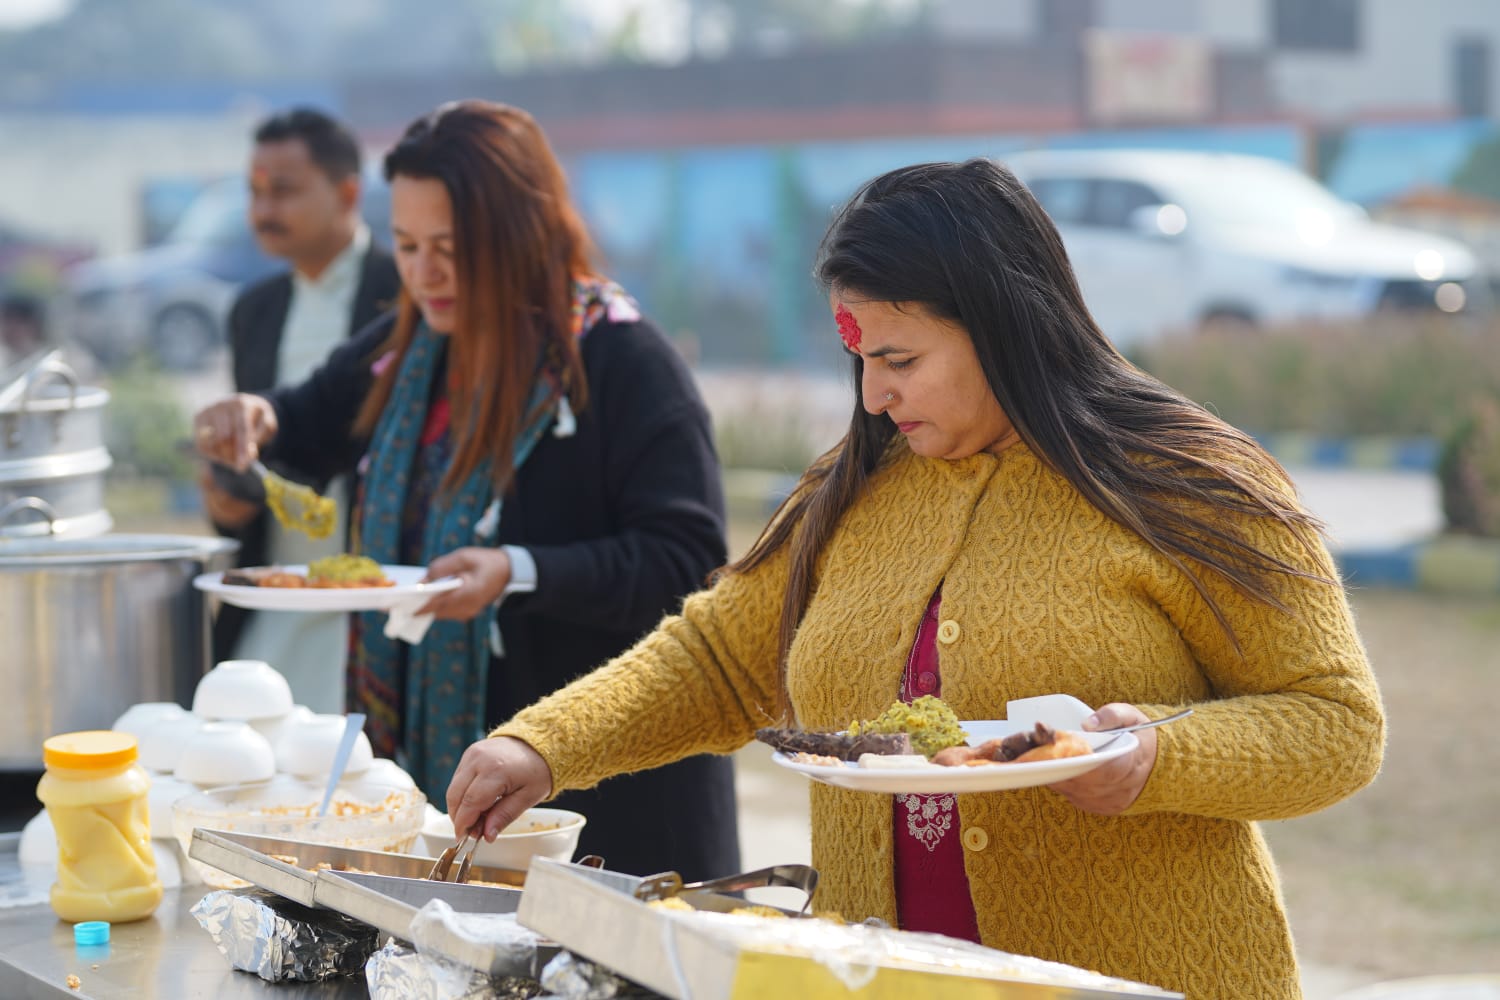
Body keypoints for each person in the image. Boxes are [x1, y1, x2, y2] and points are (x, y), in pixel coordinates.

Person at [445, 159, 1386, 1000]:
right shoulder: (851, 490)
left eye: (900, 360)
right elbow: (720, 660)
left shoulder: (1185, 479)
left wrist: (1159, 756)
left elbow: (1335, 720)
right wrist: (546, 745)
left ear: (1008, 325)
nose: (872, 396)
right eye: (859, 361)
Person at [193, 100, 741, 882]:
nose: (425, 273)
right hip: (456, 799)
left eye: (452, 248)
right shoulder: (409, 349)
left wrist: (516, 570)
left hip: (611, 811)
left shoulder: (621, 359)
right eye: (409, 246)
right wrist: (251, 418)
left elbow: (685, 564)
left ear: (523, 231)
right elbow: (299, 428)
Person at [200, 107, 400, 710]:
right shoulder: (253, 309)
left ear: (347, 192)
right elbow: (252, 457)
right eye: (255, 192)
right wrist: (225, 502)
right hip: (277, 592)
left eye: (283, 190)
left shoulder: (412, 295)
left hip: (383, 597)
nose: (263, 210)